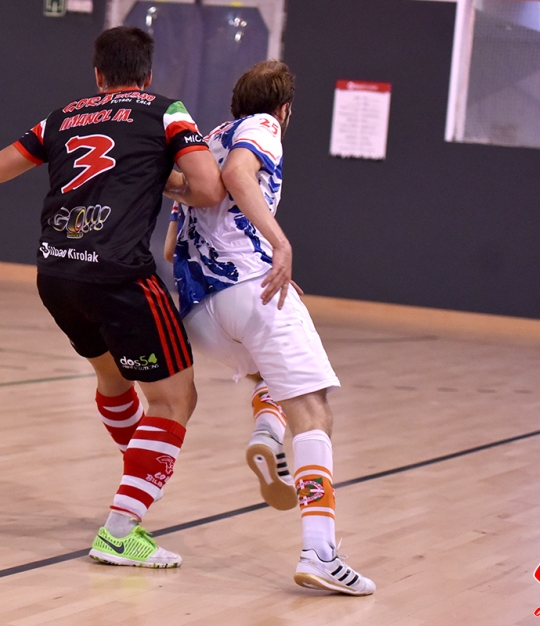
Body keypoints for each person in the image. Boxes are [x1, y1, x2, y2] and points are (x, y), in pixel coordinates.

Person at [0, 27, 224, 568]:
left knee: (113, 380)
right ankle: (120, 529)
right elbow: (210, 188)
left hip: (57, 274)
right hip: (120, 278)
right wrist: (162, 178)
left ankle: (138, 475)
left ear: (98, 76)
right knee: (175, 400)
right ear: (147, 75)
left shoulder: (61, 117)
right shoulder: (165, 111)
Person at [163, 60, 375, 595]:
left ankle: (266, 433)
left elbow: (169, 246)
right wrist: (278, 245)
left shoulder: (205, 142)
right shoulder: (262, 127)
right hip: (251, 291)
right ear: (284, 109)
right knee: (313, 410)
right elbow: (240, 175)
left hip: (198, 312)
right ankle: (320, 552)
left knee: (267, 372)